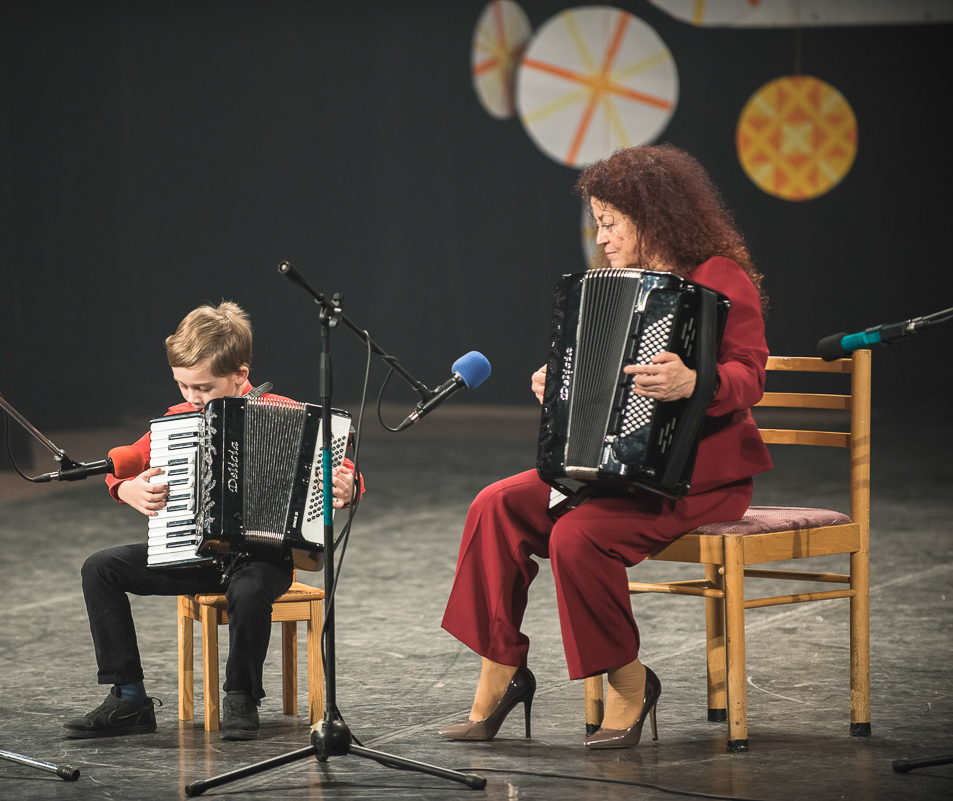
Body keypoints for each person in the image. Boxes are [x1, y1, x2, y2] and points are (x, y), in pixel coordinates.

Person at [438, 144, 773, 748]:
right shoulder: (613, 284)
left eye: (611, 221)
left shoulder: (719, 276)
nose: (602, 234)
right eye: (598, 221)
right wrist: (560, 383)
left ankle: (630, 681)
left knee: (578, 534)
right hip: (618, 463)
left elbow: (751, 372)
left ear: (655, 217)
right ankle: (501, 669)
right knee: (495, 506)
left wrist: (698, 382)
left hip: (701, 474)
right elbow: (603, 382)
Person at [63, 301, 358, 741]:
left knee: (250, 588)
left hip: (263, 558)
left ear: (240, 374)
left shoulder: (285, 410)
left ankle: (241, 696)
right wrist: (125, 489)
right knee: (99, 567)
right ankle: (128, 699)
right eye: (182, 385)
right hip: (193, 553)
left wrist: (349, 486)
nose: (191, 398)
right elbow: (123, 463)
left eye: (202, 387)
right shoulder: (178, 420)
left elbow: (344, 469)